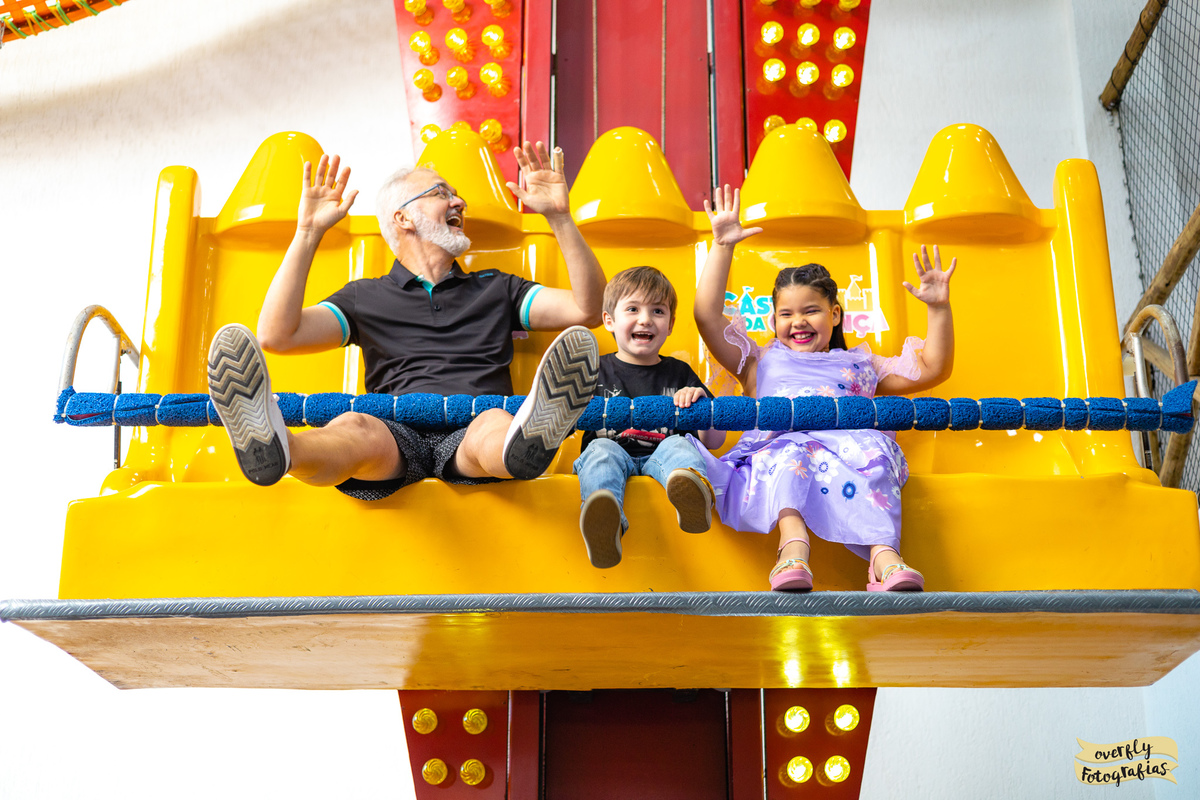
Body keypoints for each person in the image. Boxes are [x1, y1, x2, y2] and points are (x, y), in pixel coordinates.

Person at [206, 142, 606, 498]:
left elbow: (588, 310)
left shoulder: (497, 289)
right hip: (395, 438)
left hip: (472, 428)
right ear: (404, 218)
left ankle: (523, 451)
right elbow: (277, 335)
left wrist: (560, 218)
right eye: (441, 193)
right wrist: (308, 232)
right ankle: (277, 448)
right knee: (357, 428)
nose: (459, 203)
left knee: (493, 425)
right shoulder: (365, 296)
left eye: (456, 195)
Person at [693, 185, 956, 592]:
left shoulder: (862, 363)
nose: (798, 321)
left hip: (852, 451)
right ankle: (792, 549)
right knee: (790, 452)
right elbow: (706, 316)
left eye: (810, 310)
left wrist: (938, 309)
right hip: (780, 450)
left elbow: (932, 369)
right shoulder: (759, 359)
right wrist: (722, 245)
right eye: (786, 314)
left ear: (835, 314)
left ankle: (883, 556)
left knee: (875, 450)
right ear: (774, 321)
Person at [573, 266, 727, 568]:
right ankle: (606, 522)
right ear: (609, 321)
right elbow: (561, 423)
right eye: (633, 309)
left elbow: (716, 442)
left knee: (681, 446)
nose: (645, 319)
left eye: (658, 311)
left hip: (663, 457)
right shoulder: (593, 371)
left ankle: (692, 496)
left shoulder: (679, 374)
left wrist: (701, 406)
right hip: (612, 454)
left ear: (670, 325)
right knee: (600, 451)